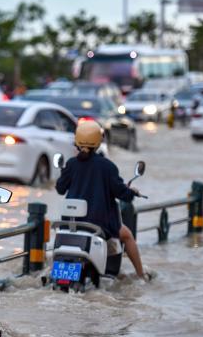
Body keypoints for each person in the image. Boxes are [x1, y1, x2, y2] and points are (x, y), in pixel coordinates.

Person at [55, 120, 151, 281]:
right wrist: (131, 192)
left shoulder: (71, 164)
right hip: (100, 223)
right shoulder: (107, 167)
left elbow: (60, 188)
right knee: (127, 236)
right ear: (99, 142)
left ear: (77, 141)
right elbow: (123, 194)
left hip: (71, 223)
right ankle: (141, 275)